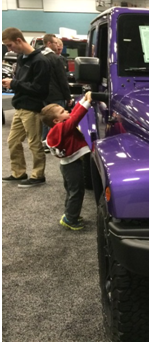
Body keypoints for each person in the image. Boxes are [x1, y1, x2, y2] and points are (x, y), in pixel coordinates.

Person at [2, 27, 50, 187]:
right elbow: (24, 83)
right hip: (20, 106)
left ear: (18, 40)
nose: (9, 49)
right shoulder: (22, 58)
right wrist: (14, 83)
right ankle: (19, 172)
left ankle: (38, 175)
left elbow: (40, 89)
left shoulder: (40, 61)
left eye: (9, 45)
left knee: (34, 143)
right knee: (13, 141)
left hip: (32, 108)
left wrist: (14, 83)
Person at [40, 91, 92, 230]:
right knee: (77, 191)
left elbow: (73, 114)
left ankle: (70, 214)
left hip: (68, 165)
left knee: (71, 191)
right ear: (56, 121)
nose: (67, 111)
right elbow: (75, 118)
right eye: (63, 111)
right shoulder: (62, 128)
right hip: (71, 166)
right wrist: (88, 103)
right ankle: (71, 219)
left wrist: (82, 102)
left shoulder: (59, 127)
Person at [41, 34, 72, 152]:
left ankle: (45, 141)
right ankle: (55, 142)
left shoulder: (41, 57)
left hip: (44, 94)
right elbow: (62, 80)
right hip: (57, 94)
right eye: (55, 43)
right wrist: (68, 97)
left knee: (46, 118)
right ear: (49, 43)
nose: (57, 46)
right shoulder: (56, 59)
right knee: (58, 120)